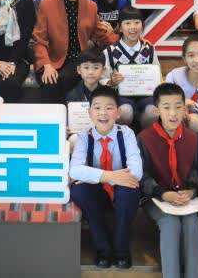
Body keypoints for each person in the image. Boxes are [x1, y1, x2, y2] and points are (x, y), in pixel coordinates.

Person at [70, 86, 142, 269]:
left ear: (118, 113)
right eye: (97, 107)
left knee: (130, 188)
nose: (103, 113)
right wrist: (110, 176)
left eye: (109, 108)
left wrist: (97, 176)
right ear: (89, 112)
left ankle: (121, 250)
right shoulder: (83, 137)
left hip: (121, 193)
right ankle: (103, 249)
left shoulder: (126, 133)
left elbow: (136, 171)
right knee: (79, 190)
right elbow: (74, 170)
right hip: (98, 194)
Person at [138, 82, 198, 278]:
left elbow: (195, 170)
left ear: (185, 109)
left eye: (178, 107)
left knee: (192, 222)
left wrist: (191, 190)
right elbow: (142, 175)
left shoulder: (192, 137)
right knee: (170, 222)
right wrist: (163, 193)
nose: (173, 113)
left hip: (185, 198)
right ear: (157, 110)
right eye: (166, 107)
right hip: (156, 198)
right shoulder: (144, 138)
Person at [32, 0, 118, 101]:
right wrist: (46, 65)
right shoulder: (46, 5)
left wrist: (131, 41)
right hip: (51, 60)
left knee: (67, 79)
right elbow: (39, 40)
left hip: (78, 60)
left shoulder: (90, 6)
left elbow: (101, 34)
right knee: (50, 83)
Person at [103, 6, 159, 127]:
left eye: (137, 22)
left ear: (142, 26)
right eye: (127, 23)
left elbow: (157, 75)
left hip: (146, 95)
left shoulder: (149, 49)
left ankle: (144, 134)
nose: (133, 27)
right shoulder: (110, 51)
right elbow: (103, 79)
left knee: (153, 112)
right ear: (120, 28)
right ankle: (123, 134)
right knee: (125, 112)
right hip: (121, 95)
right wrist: (111, 82)